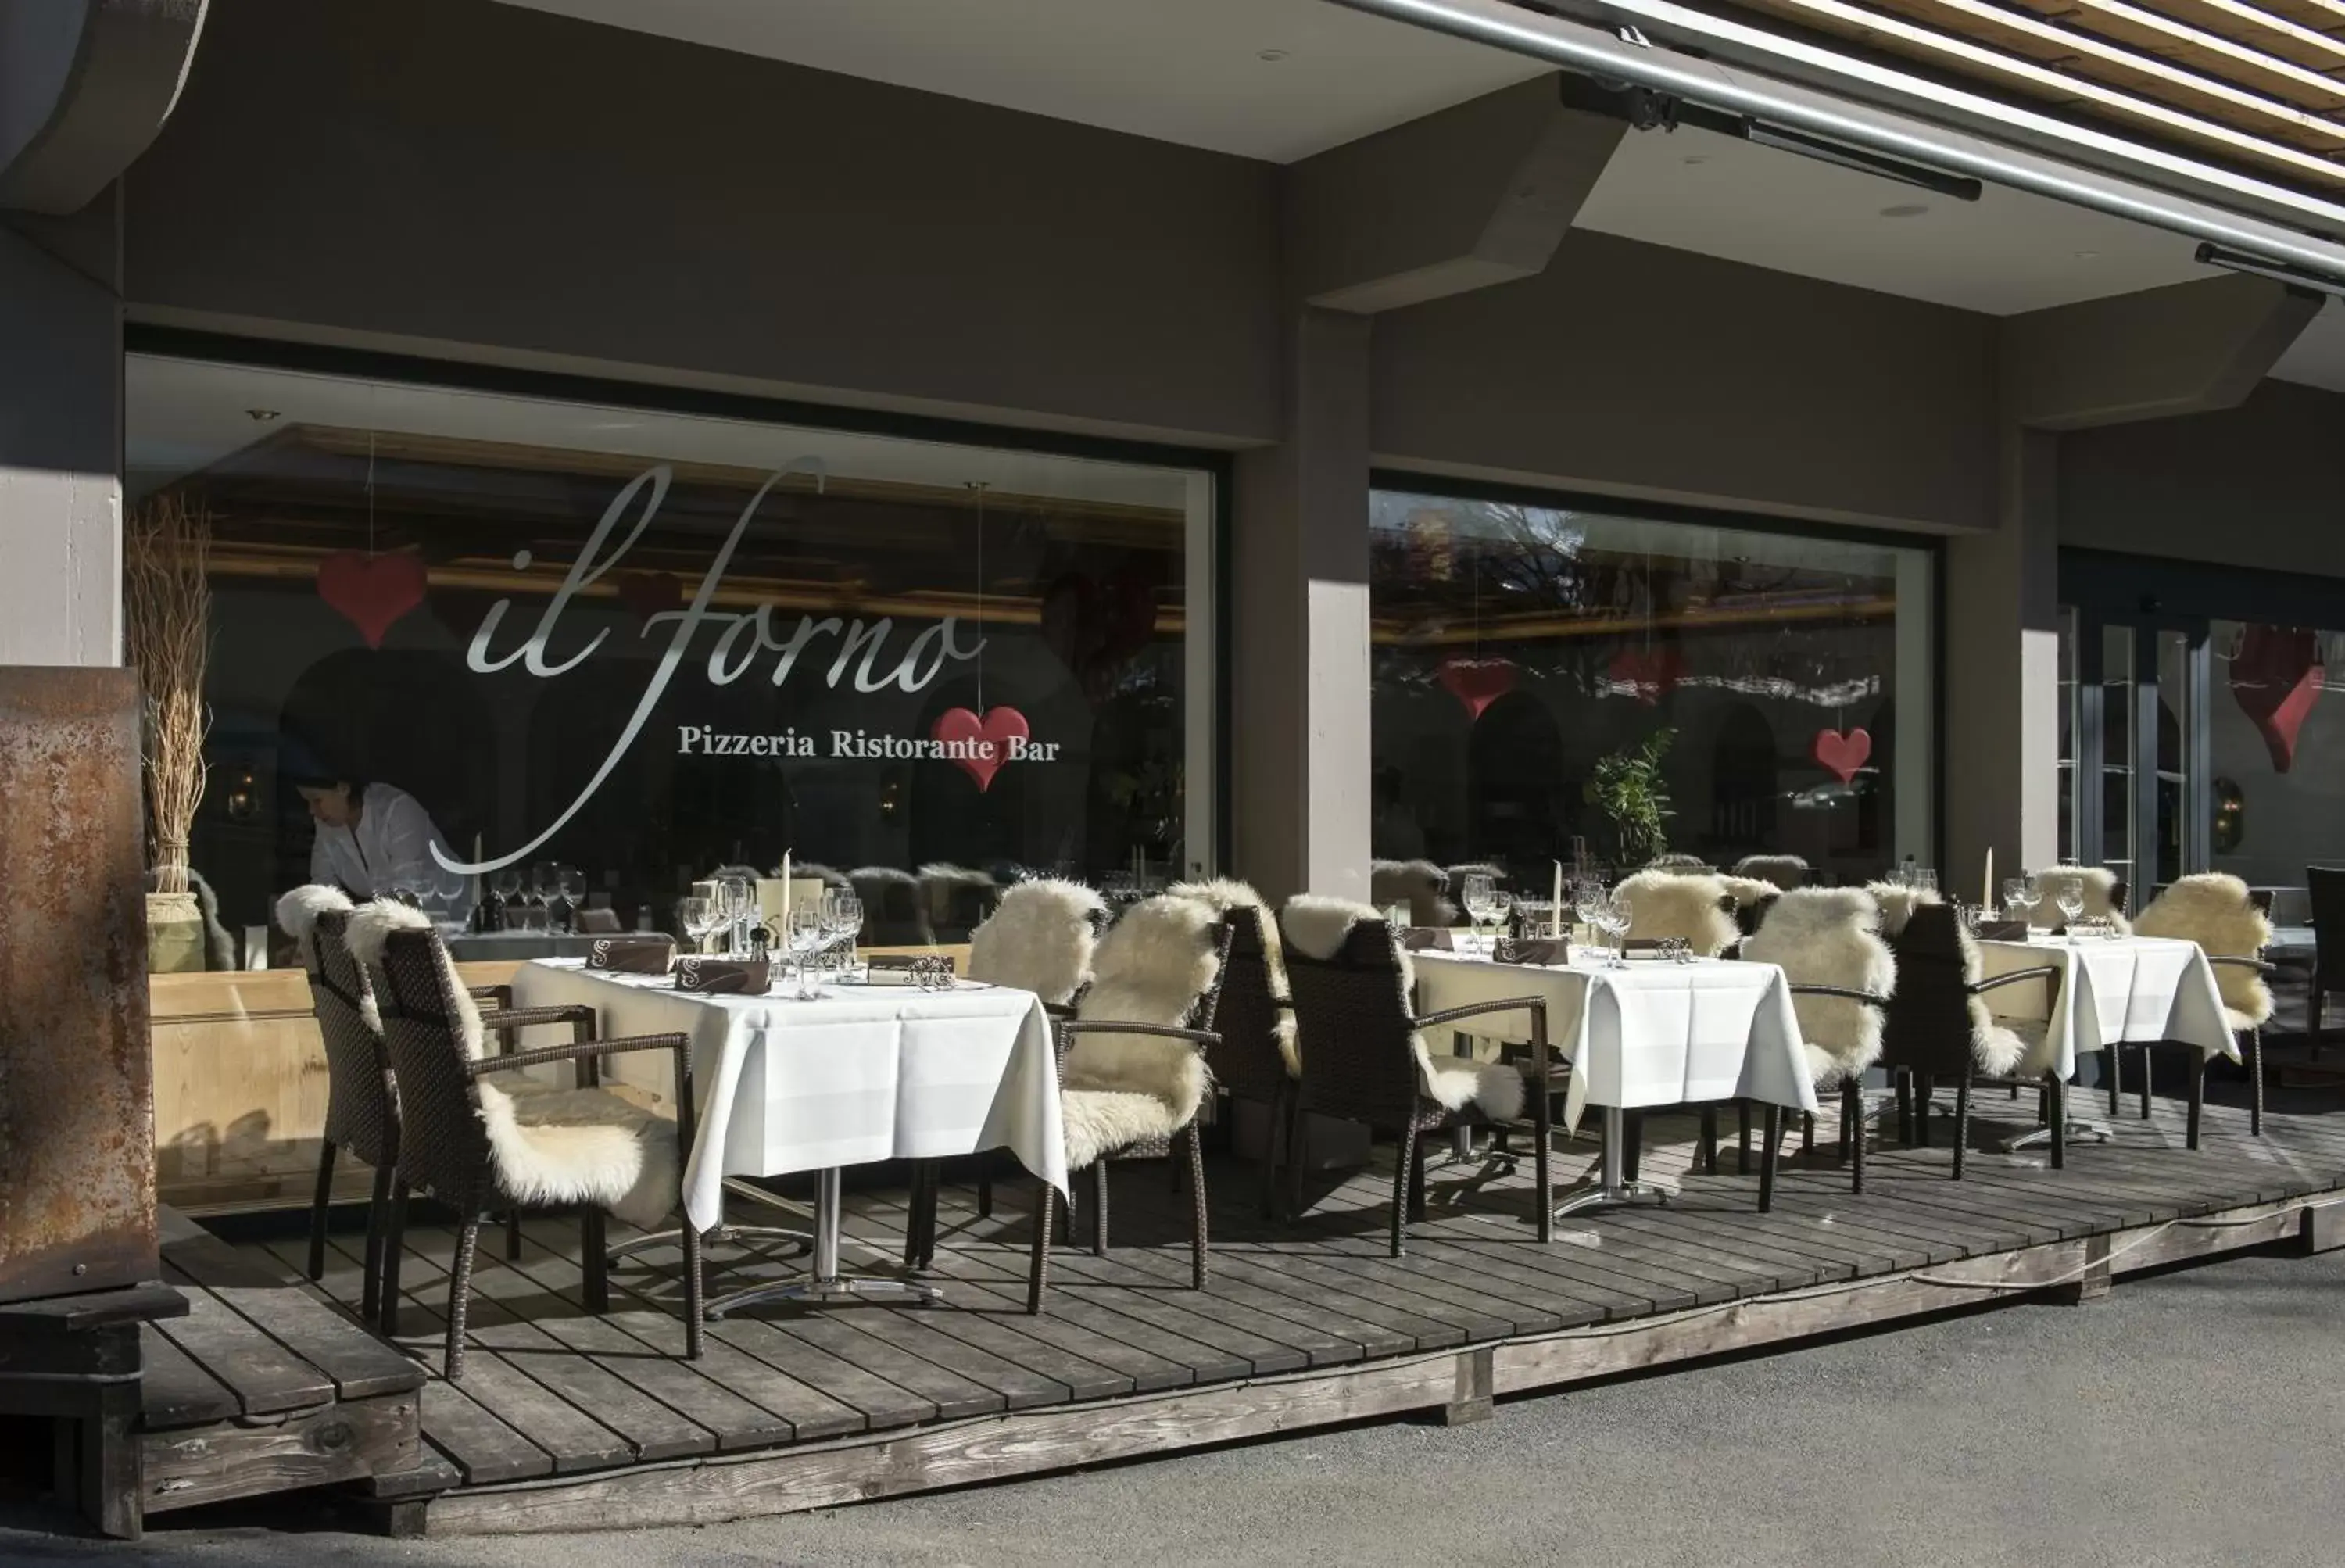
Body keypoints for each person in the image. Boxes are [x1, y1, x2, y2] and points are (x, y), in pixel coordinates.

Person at [293, 768, 460, 904]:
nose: (312, 811)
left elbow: (409, 891)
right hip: (392, 922)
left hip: (453, 913)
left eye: (317, 800)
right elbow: (323, 885)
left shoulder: (396, 809)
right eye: (307, 802)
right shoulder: (327, 825)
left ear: (343, 788)